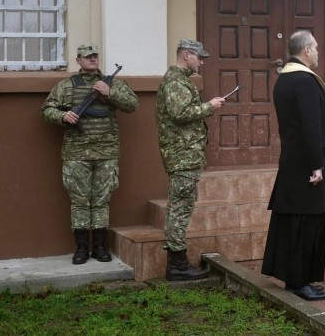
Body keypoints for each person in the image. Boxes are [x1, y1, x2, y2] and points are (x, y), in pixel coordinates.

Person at [41, 44, 139, 265]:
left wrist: (109, 93)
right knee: (80, 201)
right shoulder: (66, 86)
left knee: (102, 200)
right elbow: (47, 109)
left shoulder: (112, 83)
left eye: (95, 56)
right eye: (87, 57)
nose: (92, 59)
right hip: (77, 153)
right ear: (78, 60)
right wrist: (63, 116)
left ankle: (100, 247)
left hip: (106, 152)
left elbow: (133, 104)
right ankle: (82, 248)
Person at [261, 31, 325, 301]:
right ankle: (298, 281)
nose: (317, 51)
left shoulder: (284, 79)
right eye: (315, 47)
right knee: (304, 223)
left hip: (293, 159)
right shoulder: (304, 81)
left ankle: (299, 278)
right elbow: (310, 126)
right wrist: (317, 165)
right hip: (307, 163)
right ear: (305, 50)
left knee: (294, 221)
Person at [156, 38, 225, 281]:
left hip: (186, 155)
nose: (202, 63)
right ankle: (177, 266)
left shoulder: (180, 81)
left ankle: (178, 264)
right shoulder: (175, 82)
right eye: (199, 57)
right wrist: (210, 106)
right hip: (182, 156)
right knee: (180, 209)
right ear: (186, 55)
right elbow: (180, 113)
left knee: (181, 207)